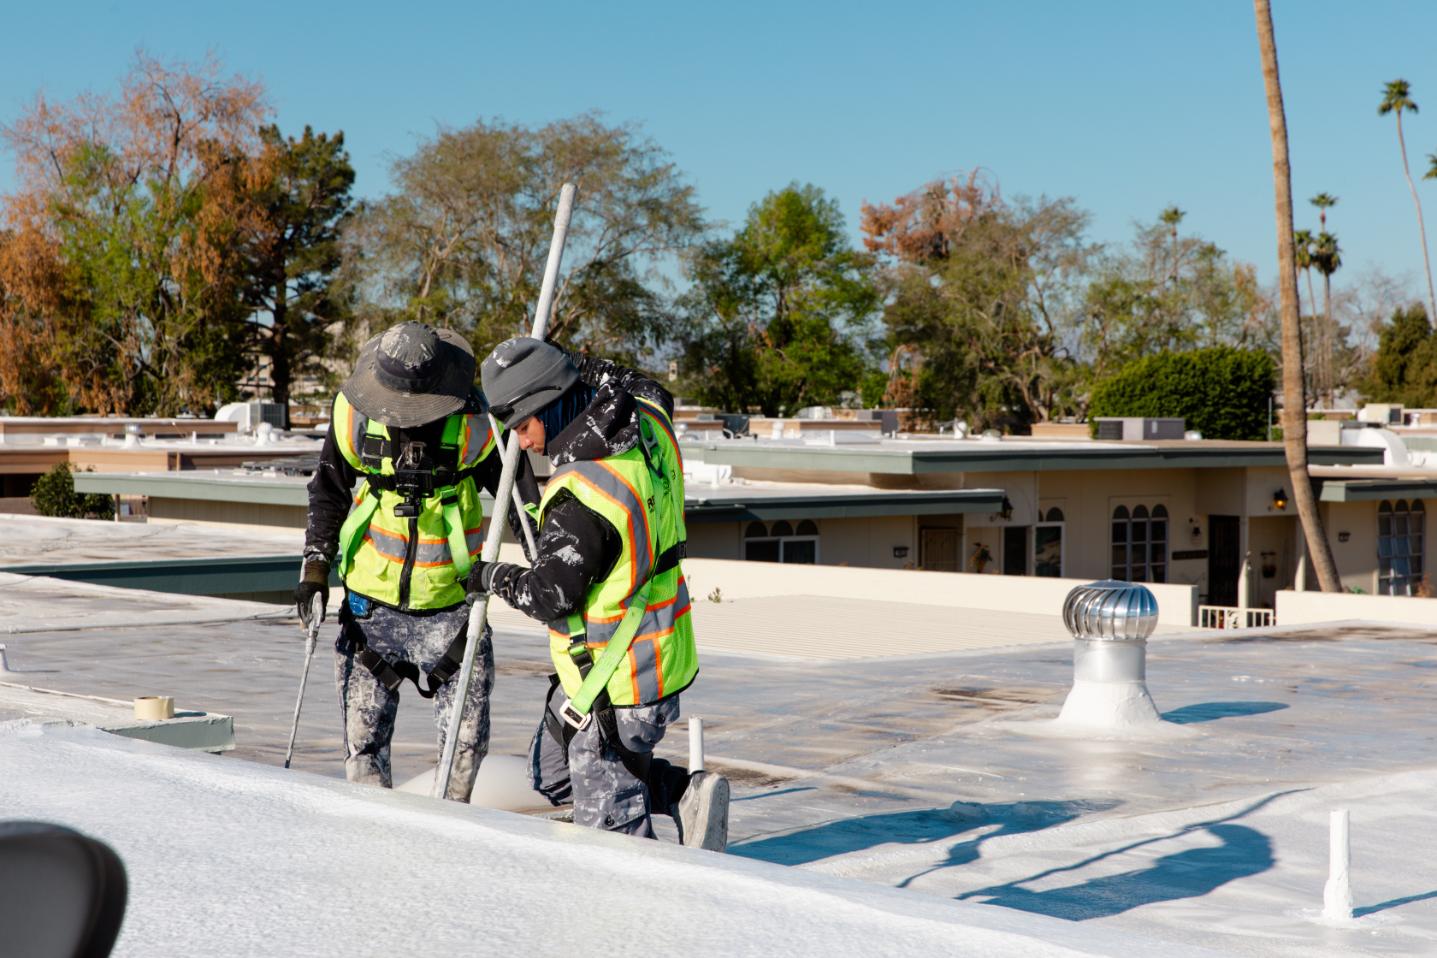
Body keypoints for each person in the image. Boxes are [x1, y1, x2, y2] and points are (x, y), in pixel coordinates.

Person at [468, 338, 729, 849]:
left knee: (614, 844)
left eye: (523, 425)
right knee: (549, 773)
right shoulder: (648, 420)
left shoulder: (581, 494)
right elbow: (643, 384)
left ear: (551, 402)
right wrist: (565, 361)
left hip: (617, 681)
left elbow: (549, 596)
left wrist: (489, 576)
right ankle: (680, 793)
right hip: (648, 657)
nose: (521, 441)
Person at [295, 321, 537, 801]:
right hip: (370, 612)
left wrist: (549, 565)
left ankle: (448, 837)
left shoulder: (478, 421)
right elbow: (328, 493)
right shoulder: (352, 415)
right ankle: (371, 838)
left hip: (453, 611)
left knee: (464, 753)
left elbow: (521, 499)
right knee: (363, 753)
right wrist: (315, 569)